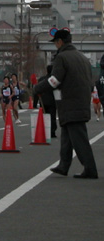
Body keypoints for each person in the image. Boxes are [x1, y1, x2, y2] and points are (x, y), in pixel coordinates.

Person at [33, 29, 98, 179]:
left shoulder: (62, 58)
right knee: (67, 136)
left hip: (70, 103)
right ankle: (64, 165)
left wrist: (38, 88)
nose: (55, 45)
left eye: (55, 42)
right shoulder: (82, 57)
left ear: (60, 42)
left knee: (79, 139)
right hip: (80, 101)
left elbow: (55, 80)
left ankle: (90, 168)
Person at [37, 65, 57, 137]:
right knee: (52, 117)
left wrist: (35, 103)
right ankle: (52, 132)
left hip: (43, 101)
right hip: (52, 101)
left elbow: (37, 90)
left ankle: (44, 131)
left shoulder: (42, 79)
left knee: (44, 117)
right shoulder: (54, 80)